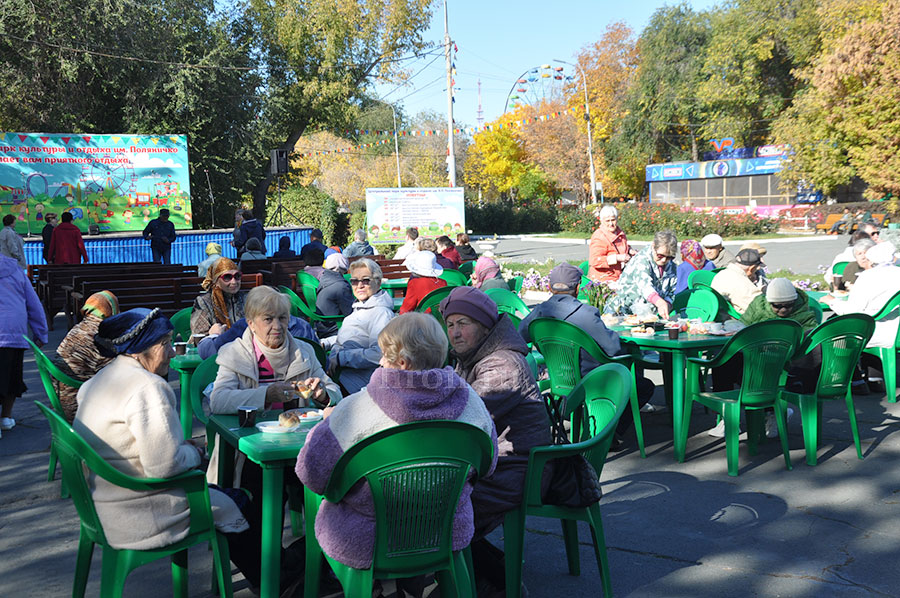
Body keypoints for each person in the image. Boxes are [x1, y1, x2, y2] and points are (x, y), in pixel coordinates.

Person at [74, 308, 266, 589]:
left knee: (226, 494)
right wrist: (196, 453)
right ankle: (274, 581)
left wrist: (178, 449)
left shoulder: (97, 381)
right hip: (140, 510)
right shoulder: (147, 388)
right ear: (143, 349)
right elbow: (163, 466)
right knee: (238, 500)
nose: (172, 354)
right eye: (165, 344)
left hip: (101, 501)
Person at [295, 313, 497, 571]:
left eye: (383, 356)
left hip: (369, 539)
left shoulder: (356, 409)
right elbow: (488, 466)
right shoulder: (471, 403)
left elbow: (311, 472)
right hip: (445, 534)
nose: (379, 362)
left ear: (402, 362)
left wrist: (326, 424)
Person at [439, 287, 551, 594]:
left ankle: (497, 580)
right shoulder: (474, 356)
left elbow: (462, 418)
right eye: (450, 325)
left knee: (433, 503)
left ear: (485, 326)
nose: (455, 333)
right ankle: (486, 572)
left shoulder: (501, 365)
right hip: (493, 462)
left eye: (464, 323)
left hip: (515, 470)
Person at [519, 263, 654, 449]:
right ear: (577, 288)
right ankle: (609, 432)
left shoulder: (538, 313)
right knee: (644, 385)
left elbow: (520, 336)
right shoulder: (586, 314)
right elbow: (613, 349)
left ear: (550, 287)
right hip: (594, 380)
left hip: (559, 379)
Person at [322, 258, 395, 394]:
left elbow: (378, 354)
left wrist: (340, 358)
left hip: (357, 383)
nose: (359, 285)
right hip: (342, 374)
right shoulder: (361, 307)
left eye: (365, 280)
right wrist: (326, 342)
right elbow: (356, 336)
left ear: (378, 282)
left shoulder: (380, 313)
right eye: (354, 281)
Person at [0, 253, 48, 436]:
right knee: (12, 376)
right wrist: (41, 333)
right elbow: (34, 304)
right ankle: (5, 417)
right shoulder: (15, 271)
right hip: (13, 331)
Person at [54, 291, 120, 422]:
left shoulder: (79, 328)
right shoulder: (100, 336)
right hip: (79, 406)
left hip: (60, 401)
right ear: (111, 310)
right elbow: (115, 371)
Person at [823, 241, 900, 349]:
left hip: (876, 334)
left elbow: (852, 311)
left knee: (828, 332)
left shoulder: (867, 277)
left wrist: (832, 301)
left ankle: (841, 365)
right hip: (897, 333)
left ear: (871, 260)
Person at [606, 230, 678, 318]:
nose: (664, 260)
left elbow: (671, 292)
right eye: (660, 256)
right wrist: (659, 302)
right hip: (621, 311)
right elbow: (645, 287)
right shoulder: (641, 260)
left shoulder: (672, 266)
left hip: (646, 314)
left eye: (669, 257)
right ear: (653, 246)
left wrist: (667, 304)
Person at [197, 314, 319, 360]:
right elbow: (324, 363)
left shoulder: (244, 325)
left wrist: (213, 334)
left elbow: (208, 352)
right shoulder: (303, 325)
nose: (276, 327)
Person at [304, 248, 354, 339]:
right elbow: (350, 314)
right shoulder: (341, 286)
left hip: (321, 326)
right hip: (333, 329)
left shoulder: (324, 279)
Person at [190, 258, 246, 337]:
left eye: (237, 276)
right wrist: (214, 335)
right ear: (216, 280)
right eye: (227, 277)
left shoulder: (246, 298)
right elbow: (199, 336)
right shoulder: (204, 302)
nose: (234, 282)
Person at [588, 205, 634, 283]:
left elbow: (620, 247)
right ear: (601, 221)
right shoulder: (599, 237)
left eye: (613, 220)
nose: (611, 224)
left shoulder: (620, 233)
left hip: (619, 275)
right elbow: (595, 261)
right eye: (607, 221)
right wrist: (617, 258)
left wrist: (630, 250)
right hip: (604, 279)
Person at [711, 248, 764, 315]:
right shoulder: (745, 285)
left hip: (718, 314)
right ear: (751, 268)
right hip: (739, 320)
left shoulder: (721, 274)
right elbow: (761, 309)